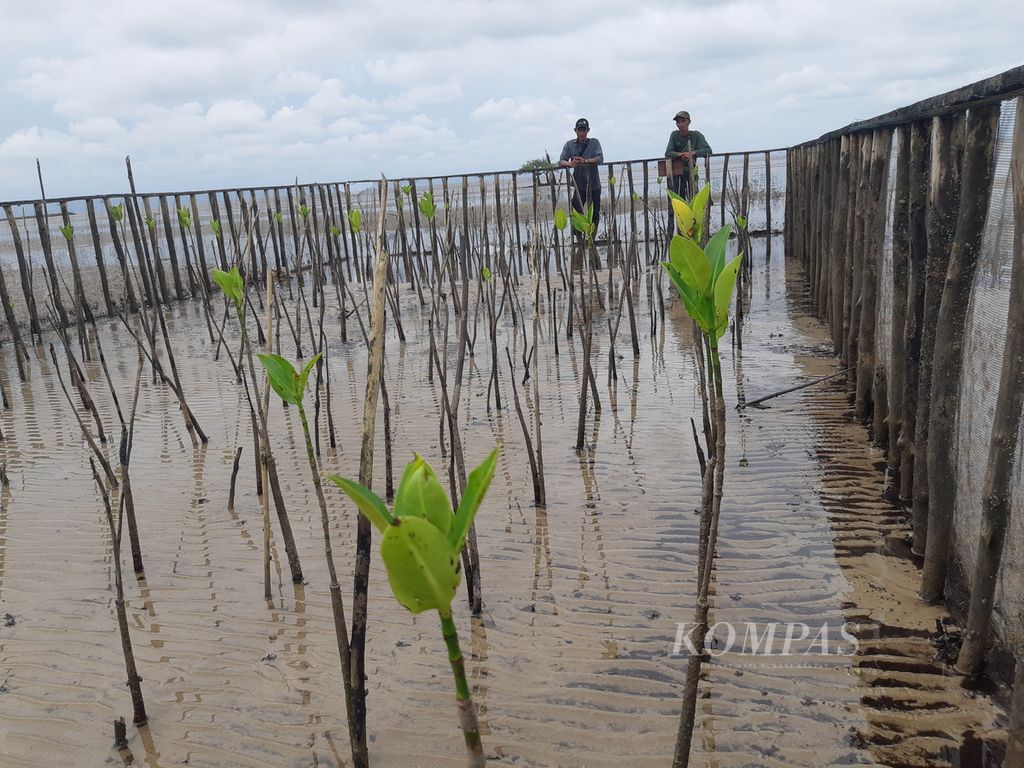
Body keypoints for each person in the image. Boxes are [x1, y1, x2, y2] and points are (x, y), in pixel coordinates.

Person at [559, 118, 604, 232]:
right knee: (576, 210)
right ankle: (578, 237)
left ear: (588, 130)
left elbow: (600, 158)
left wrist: (586, 161)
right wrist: (570, 163)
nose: (582, 132)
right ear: (575, 130)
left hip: (594, 183)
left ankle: (592, 237)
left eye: (584, 130)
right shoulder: (569, 145)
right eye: (580, 130)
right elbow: (561, 161)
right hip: (579, 184)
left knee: (595, 212)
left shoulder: (594, 142)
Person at [665, 110, 712, 199]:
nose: (681, 124)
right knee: (677, 198)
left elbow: (708, 150)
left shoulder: (696, 135)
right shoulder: (674, 135)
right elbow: (668, 153)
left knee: (693, 196)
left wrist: (693, 153)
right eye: (678, 122)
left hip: (690, 172)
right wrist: (681, 154)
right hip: (676, 175)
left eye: (683, 121)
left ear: (689, 122)